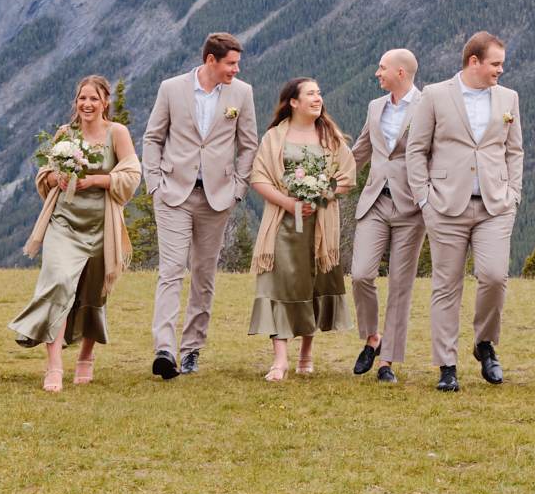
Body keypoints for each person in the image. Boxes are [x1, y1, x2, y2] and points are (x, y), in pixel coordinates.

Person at [139, 31, 260, 379]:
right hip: (172, 193)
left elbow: (248, 144)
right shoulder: (171, 88)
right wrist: (153, 185)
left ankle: (191, 350)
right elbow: (152, 137)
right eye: (231, 63)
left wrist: (238, 187)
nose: (236, 70)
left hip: (218, 196)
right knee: (171, 269)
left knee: (204, 275)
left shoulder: (242, 93)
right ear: (211, 61)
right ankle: (164, 349)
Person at [9, 75, 141, 391]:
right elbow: (46, 173)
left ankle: (86, 355)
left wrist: (97, 181)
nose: (87, 104)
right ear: (76, 102)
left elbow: (132, 173)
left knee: (92, 293)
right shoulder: (65, 134)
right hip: (64, 222)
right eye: (82, 98)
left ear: (105, 102)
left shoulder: (117, 133)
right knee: (57, 282)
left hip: (102, 224)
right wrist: (58, 179)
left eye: (94, 98)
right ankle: (54, 365)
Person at [416, 30, 525, 392]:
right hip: (444, 205)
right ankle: (447, 365)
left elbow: (515, 150)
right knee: (446, 285)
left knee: (494, 276)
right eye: (496, 64)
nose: (501, 71)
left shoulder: (508, 97)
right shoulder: (434, 95)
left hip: (495, 205)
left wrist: (513, 194)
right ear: (473, 62)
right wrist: (423, 199)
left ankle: (484, 343)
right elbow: (416, 150)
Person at [247, 77, 357, 380]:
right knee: (277, 284)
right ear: (293, 102)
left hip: (320, 224)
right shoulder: (274, 137)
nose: (318, 98)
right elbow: (260, 177)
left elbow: (347, 176)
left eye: (319, 93)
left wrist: (322, 195)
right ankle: (279, 361)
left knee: (315, 283)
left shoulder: (331, 136)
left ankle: (306, 352)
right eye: (311, 94)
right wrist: (288, 202)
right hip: (282, 223)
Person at [348, 48, 427, 384]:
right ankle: (372, 338)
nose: (376, 74)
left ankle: (387, 363)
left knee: (400, 284)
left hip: (412, 206)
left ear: (400, 72)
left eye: (381, 68)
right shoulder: (375, 106)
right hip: (375, 200)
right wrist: (327, 179)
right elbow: (362, 149)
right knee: (360, 274)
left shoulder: (429, 105)